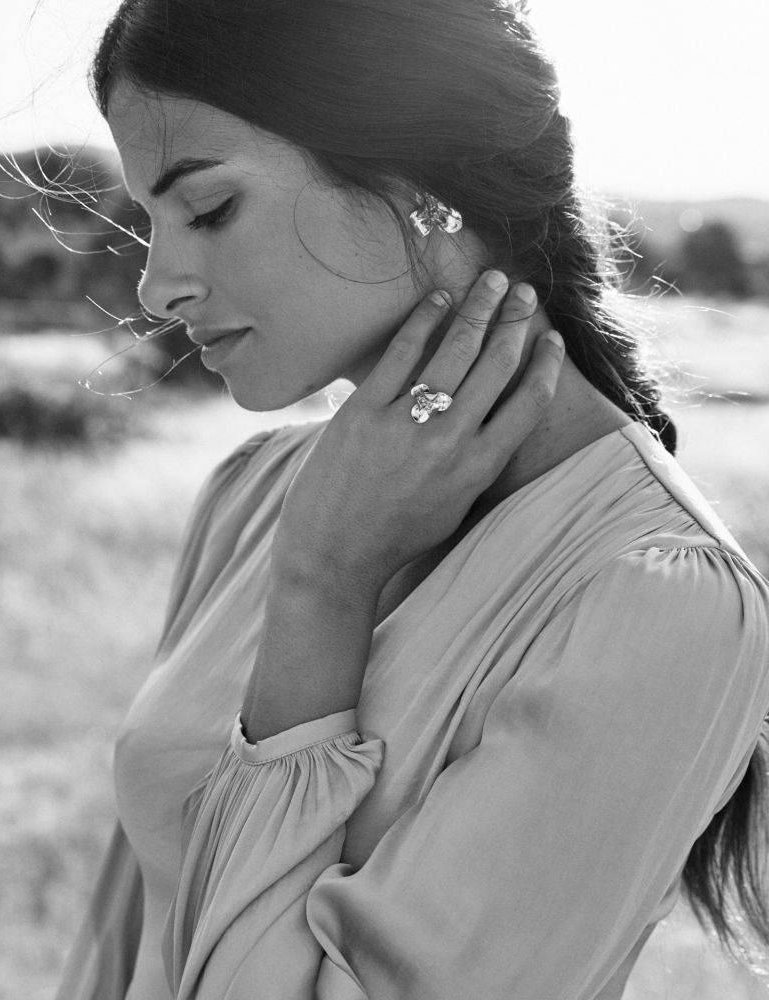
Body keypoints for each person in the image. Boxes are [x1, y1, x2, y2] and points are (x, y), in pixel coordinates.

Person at [55, 1, 769, 997]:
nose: (155, 286)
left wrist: (325, 584)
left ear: (420, 182)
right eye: (150, 222)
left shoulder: (658, 603)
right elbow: (129, 932)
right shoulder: (252, 491)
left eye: (209, 209)